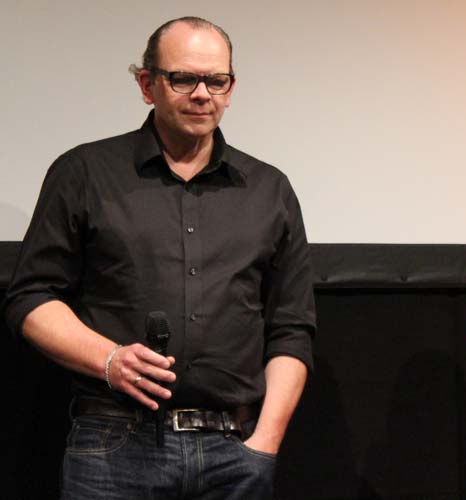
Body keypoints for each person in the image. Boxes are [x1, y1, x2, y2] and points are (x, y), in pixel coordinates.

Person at [3, 16, 315, 499]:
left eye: (216, 80)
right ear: (147, 85)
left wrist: (266, 443)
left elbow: (291, 328)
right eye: (183, 78)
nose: (201, 94)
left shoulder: (269, 189)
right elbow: (31, 298)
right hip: (115, 445)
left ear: (231, 89)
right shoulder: (84, 172)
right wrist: (109, 360)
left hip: (235, 450)